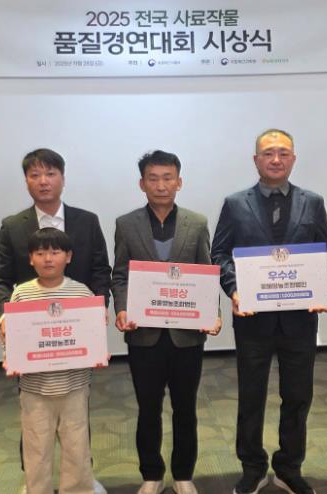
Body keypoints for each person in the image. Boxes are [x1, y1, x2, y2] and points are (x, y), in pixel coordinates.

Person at [211, 129, 327, 494]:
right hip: (253, 320)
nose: (276, 159)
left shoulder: (313, 202)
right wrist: (234, 289)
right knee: (251, 397)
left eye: (283, 153)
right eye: (268, 153)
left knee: (298, 397)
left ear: (293, 159)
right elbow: (220, 253)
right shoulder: (235, 203)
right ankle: (252, 467)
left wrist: (321, 285)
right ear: (256, 160)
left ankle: (289, 467)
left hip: (300, 319)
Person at [0, 148, 111, 494]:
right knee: (35, 423)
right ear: (26, 181)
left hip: (75, 344)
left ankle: (80, 480)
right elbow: (0, 279)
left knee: (76, 418)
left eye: (50, 174)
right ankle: (35, 482)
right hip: (33, 346)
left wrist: (98, 309)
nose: (43, 181)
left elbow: (100, 269)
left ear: (62, 178)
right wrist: (6, 318)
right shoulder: (12, 226)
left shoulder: (87, 221)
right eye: (35, 175)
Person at [111, 150, 221, 494]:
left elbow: (206, 273)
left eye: (168, 178)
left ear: (179, 182)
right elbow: (120, 274)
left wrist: (211, 311)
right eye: (153, 178)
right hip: (143, 334)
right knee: (148, 408)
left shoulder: (196, 222)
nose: (161, 185)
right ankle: (152, 474)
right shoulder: (126, 224)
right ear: (142, 183)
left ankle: (184, 474)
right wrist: (122, 308)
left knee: (185, 408)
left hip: (186, 335)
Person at [7, 228, 102, 494]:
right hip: (34, 389)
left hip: (74, 386)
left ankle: (79, 490)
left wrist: (97, 353)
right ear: (30, 259)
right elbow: (13, 337)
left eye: (55, 252)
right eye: (40, 253)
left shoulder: (82, 293)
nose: (48, 259)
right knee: (36, 449)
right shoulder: (21, 294)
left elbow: (92, 334)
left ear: (68, 256)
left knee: (77, 447)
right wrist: (9, 358)